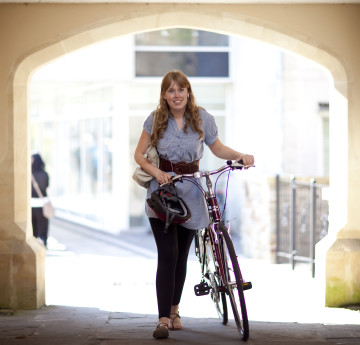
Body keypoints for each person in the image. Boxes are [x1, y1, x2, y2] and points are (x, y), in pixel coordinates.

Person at [134, 70, 254, 339]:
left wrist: (241, 155)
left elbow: (218, 148)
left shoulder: (203, 118)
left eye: (181, 89)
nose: (176, 95)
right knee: (168, 254)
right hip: (162, 194)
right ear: (164, 95)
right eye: (171, 90)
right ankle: (163, 319)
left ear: (188, 92)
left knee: (181, 256)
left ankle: (175, 310)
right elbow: (139, 155)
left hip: (192, 190)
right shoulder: (155, 120)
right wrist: (157, 173)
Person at [31, 153, 50, 247]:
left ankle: (34, 245)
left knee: (33, 226)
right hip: (43, 203)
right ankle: (44, 243)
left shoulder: (30, 175)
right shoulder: (45, 174)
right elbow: (46, 186)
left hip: (32, 204)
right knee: (43, 226)